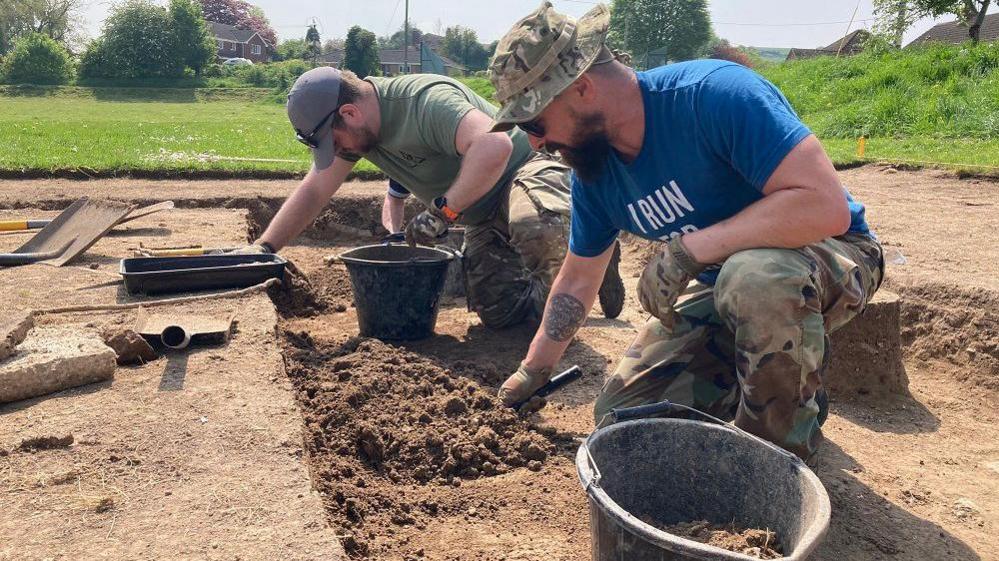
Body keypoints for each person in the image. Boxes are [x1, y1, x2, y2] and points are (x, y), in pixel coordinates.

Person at [489, 2, 884, 463]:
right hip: (728, 287)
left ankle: (772, 456)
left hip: (833, 257)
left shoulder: (712, 96)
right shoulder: (594, 174)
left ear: (581, 88)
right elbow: (577, 280)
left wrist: (688, 250)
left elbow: (826, 206)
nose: (535, 142)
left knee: (755, 275)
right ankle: (777, 387)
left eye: (533, 122)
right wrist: (532, 371)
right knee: (623, 418)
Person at [237, 66, 626, 327]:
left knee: (534, 226)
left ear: (350, 113)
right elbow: (316, 189)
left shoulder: (424, 101)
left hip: (527, 175)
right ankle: (573, 259)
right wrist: (265, 247)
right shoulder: (358, 133)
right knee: (498, 313)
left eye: (333, 141)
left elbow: (495, 147)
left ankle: (588, 249)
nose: (335, 152)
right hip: (483, 214)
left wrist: (444, 211)